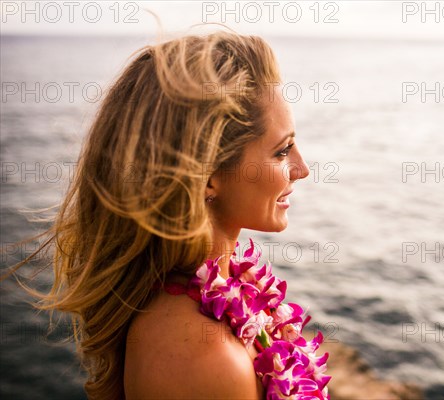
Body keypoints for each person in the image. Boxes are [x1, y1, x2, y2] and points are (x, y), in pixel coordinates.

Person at [6, 30, 325, 399]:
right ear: (208, 176)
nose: (302, 168)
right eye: (283, 151)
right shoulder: (207, 362)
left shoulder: (218, 292)